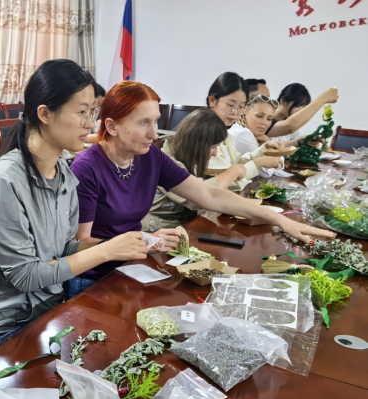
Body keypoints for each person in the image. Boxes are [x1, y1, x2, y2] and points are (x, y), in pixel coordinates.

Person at [0, 60, 151, 353]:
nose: (90, 124)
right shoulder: (6, 180)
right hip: (7, 327)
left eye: (92, 112)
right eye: (82, 112)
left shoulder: (62, 171)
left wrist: (117, 246)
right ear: (44, 114)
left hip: (48, 314)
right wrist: (105, 252)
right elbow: (25, 276)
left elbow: (62, 248)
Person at [70, 79, 334, 266]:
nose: (153, 133)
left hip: (134, 262)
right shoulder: (87, 168)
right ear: (112, 126)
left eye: (155, 121)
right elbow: (82, 242)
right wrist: (146, 241)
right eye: (143, 123)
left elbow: (210, 195)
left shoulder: (150, 156)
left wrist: (281, 220)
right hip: (95, 276)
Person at [151, 109, 248, 231]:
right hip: (159, 231)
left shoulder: (189, 158)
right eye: (213, 147)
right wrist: (233, 172)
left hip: (184, 226)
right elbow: (201, 197)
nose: (215, 153)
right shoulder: (167, 162)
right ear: (197, 145)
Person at [206, 72, 283, 190]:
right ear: (212, 101)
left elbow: (236, 162)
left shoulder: (225, 132)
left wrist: (262, 150)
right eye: (230, 104)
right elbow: (222, 181)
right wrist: (258, 163)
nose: (235, 112)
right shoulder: (202, 131)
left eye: (241, 106)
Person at [265, 83, 340, 147]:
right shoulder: (265, 120)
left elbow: (280, 146)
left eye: (304, 107)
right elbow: (290, 127)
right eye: (297, 105)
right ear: (283, 102)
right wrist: (324, 98)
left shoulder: (288, 121)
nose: (300, 111)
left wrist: (301, 142)